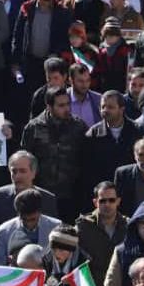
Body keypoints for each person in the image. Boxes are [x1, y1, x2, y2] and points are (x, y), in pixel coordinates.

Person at [21, 86, 87, 221]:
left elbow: (86, 158)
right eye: (61, 105)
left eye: (68, 104)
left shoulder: (78, 127)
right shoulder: (34, 127)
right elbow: (25, 159)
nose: (67, 108)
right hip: (42, 194)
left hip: (71, 195)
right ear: (49, 107)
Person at [0, 150, 59, 245]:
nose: (18, 176)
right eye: (14, 171)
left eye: (22, 171)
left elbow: (53, 230)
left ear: (33, 173)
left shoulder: (47, 199)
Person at [0, 188, 61, 266]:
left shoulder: (56, 228)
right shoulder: (3, 232)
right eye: (24, 220)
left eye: (33, 219)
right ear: (18, 214)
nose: (29, 224)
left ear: (40, 212)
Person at [76, 181, 128, 285]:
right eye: (102, 201)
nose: (107, 204)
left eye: (111, 200)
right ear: (95, 202)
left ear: (118, 201)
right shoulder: (83, 226)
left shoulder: (129, 226)